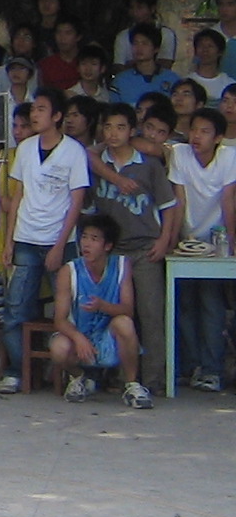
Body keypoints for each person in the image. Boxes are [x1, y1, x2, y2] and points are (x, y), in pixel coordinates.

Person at [0, 89, 89, 393]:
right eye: (33, 109)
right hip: (25, 237)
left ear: (57, 116)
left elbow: (77, 202)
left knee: (70, 310)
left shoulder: (74, 151)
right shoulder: (25, 149)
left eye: (41, 109)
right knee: (15, 309)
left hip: (59, 239)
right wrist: (9, 242)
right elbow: (17, 196)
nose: (34, 114)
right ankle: (17, 371)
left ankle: (75, 371)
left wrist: (60, 245)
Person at [87, 101, 177, 393]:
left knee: (151, 315)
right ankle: (119, 377)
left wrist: (164, 240)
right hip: (112, 252)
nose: (113, 133)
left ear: (132, 130)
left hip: (144, 248)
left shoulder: (148, 165)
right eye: (108, 127)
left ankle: (153, 380)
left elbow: (169, 206)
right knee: (116, 315)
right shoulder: (98, 164)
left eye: (121, 127)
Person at [48, 214, 148, 406]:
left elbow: (128, 309)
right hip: (79, 334)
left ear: (107, 245)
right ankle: (78, 378)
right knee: (59, 347)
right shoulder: (69, 271)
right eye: (84, 237)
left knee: (125, 323)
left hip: (108, 335)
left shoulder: (121, 265)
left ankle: (132, 384)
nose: (86, 244)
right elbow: (59, 319)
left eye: (94, 239)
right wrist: (78, 338)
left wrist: (103, 306)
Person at [168, 108, 236, 390]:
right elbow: (179, 201)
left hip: (217, 242)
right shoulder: (180, 154)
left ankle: (212, 370)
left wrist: (232, 245)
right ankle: (190, 367)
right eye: (194, 129)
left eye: (205, 131)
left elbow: (228, 202)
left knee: (211, 305)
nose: (196, 136)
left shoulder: (229, 157)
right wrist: (172, 242)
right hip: (187, 242)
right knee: (184, 306)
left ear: (218, 137)